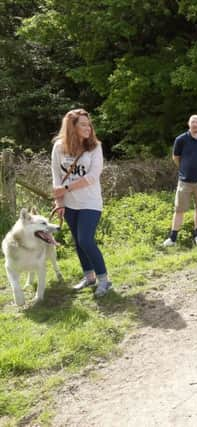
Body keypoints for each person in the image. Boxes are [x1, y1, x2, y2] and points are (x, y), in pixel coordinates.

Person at [51, 108, 112, 297]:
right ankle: (89, 276)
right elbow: (56, 177)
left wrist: (67, 189)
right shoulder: (59, 147)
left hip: (90, 202)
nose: (88, 128)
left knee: (86, 239)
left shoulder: (94, 147)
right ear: (72, 127)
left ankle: (104, 280)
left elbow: (93, 176)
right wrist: (59, 201)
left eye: (89, 124)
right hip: (69, 204)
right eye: (83, 125)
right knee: (78, 241)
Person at [162, 115, 197, 247]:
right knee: (179, 210)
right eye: (193, 122)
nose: (195, 124)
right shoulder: (181, 139)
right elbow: (176, 157)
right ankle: (172, 239)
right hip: (184, 182)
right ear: (189, 124)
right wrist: (185, 168)